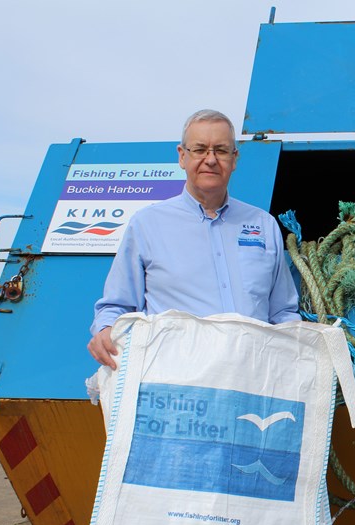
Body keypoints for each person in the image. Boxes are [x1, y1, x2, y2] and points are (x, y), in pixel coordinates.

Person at [88, 109, 300, 368]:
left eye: (221, 150)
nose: (210, 160)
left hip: (252, 377)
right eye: (200, 149)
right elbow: (117, 306)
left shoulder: (263, 224)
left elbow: (283, 313)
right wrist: (105, 330)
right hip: (176, 381)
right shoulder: (147, 224)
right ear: (182, 156)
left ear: (234, 159)